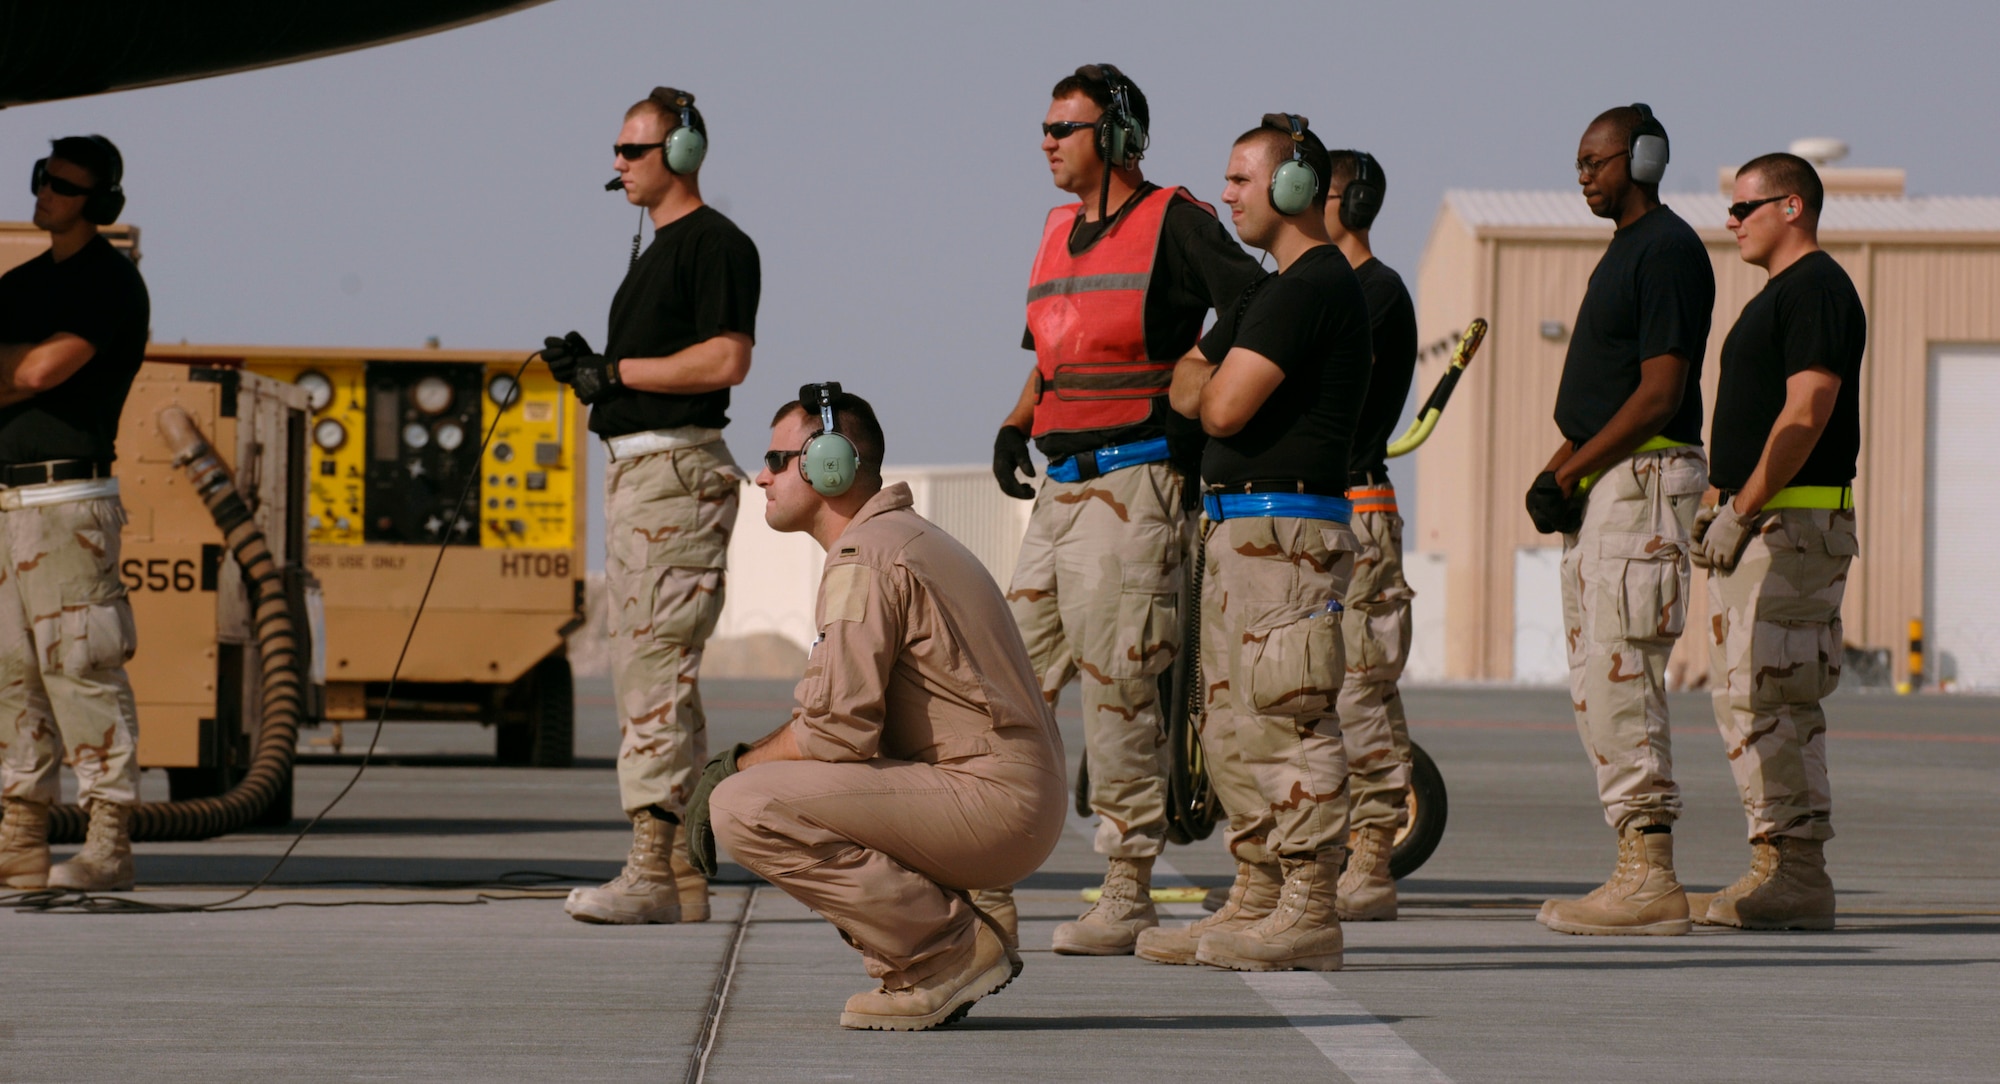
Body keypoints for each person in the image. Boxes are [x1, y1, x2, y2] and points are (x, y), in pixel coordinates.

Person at [988, 63, 1262, 956]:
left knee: (1118, 688)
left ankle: (1126, 882)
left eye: (1064, 128)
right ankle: (984, 860)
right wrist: (1016, 418)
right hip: (1062, 488)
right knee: (1008, 679)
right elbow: (1052, 349)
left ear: (1113, 137)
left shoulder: (1174, 222)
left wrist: (1200, 364)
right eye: (1046, 126)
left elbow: (1253, 294)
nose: (1046, 142)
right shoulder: (1054, 230)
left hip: (1136, 485)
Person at [689, 387, 1066, 1030]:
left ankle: (945, 956)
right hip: (1006, 796)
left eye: (777, 460)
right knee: (770, 788)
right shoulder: (899, 538)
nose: (761, 476)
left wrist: (733, 766)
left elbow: (834, 730)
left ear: (826, 463)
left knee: (745, 805)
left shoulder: (868, 556)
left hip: (995, 803)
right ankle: (933, 950)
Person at [1143, 114, 1372, 972]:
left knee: (1287, 716)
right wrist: (1204, 379)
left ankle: (1309, 905)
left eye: (1242, 179)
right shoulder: (1264, 293)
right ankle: (1258, 891)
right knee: (1232, 724)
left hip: (1287, 534)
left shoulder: (1312, 287)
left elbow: (1221, 404)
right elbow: (1184, 383)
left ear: (1295, 188)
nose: (1227, 195)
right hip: (1242, 529)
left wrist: (1207, 380)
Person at [542, 87, 759, 926]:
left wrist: (618, 375)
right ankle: (681, 868)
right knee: (660, 670)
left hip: (675, 475)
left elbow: (726, 359)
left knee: (653, 672)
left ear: (681, 154)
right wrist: (595, 367)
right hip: (641, 476)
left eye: (633, 150)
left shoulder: (716, 245)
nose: (619, 165)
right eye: (619, 151)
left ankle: (650, 870)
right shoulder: (656, 252)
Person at [1528, 104, 1714, 937]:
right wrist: (1561, 467)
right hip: (1609, 483)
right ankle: (1636, 865)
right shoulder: (1623, 254)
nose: (1583, 176)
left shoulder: (1667, 250)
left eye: (1595, 161)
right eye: (1578, 162)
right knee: (1595, 675)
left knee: (1621, 671)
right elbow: (1611, 392)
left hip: (1642, 480)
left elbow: (1659, 392)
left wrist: (1569, 465)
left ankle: (1651, 878)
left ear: (1642, 159)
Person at [1686, 153, 1863, 931]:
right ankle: (1774, 863)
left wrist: (1745, 505)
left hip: (1788, 526)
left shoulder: (1818, 288)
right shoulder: (1781, 294)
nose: (1731, 220)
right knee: (1751, 699)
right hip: (1766, 521)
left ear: (1792, 207)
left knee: (1772, 698)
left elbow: (1807, 411)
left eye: (1744, 206)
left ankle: (1797, 872)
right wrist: (1724, 501)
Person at [0, 135, 149, 892]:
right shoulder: (21, 284)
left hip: (66, 504)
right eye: (41, 178)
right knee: (11, 673)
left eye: (61, 184)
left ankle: (108, 839)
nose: (45, 193)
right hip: (7, 499)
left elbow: (37, 369)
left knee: (80, 667)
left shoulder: (108, 284)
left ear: (99, 201)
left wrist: (17, 370)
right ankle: (20, 835)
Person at [1318, 149, 1420, 922]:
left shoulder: (1375, 294)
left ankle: (1373, 855)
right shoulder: (1323, 290)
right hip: (1310, 512)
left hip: (1355, 509)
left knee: (1360, 689)